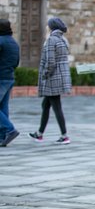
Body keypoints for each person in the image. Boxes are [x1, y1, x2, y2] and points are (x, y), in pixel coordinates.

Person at [29, 17, 72, 145]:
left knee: (56, 106)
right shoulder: (63, 40)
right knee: (45, 105)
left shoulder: (51, 40)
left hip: (53, 78)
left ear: (51, 27)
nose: (47, 27)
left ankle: (64, 135)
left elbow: (50, 62)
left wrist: (45, 75)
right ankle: (40, 133)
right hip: (60, 77)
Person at [0, 19, 20, 147]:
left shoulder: (1, 41)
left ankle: (10, 130)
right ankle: (3, 135)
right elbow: (17, 61)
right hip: (9, 77)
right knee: (3, 107)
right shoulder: (14, 42)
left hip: (0, 77)